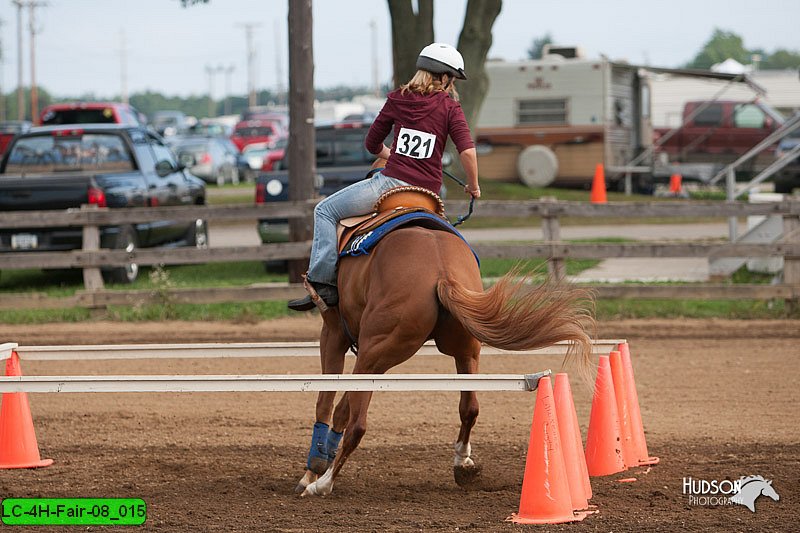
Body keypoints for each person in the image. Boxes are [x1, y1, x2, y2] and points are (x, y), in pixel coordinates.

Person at [288, 42, 480, 312]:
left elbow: (372, 144)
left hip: (391, 185)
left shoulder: (397, 99)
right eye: (452, 79)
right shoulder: (450, 107)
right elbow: (468, 153)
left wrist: (392, 156)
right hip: (430, 194)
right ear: (446, 77)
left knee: (325, 210)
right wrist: (473, 186)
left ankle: (322, 283)